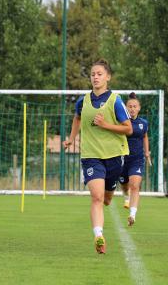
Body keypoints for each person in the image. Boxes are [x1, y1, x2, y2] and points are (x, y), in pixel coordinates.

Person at [63, 59, 132, 254]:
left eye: (99, 74)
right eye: (93, 74)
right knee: (96, 197)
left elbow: (128, 128)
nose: (95, 77)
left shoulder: (115, 100)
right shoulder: (82, 101)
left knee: (107, 199)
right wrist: (71, 139)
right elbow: (77, 118)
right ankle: (98, 236)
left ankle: (111, 197)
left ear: (108, 77)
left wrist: (105, 125)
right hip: (91, 156)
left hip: (114, 156)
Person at [119, 93, 152, 226]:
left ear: (139, 108)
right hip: (122, 159)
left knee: (135, 186)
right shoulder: (121, 122)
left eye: (135, 106)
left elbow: (144, 136)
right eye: (130, 106)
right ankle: (126, 196)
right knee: (124, 185)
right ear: (126, 108)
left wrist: (147, 152)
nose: (132, 109)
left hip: (137, 160)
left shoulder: (143, 123)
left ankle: (132, 215)